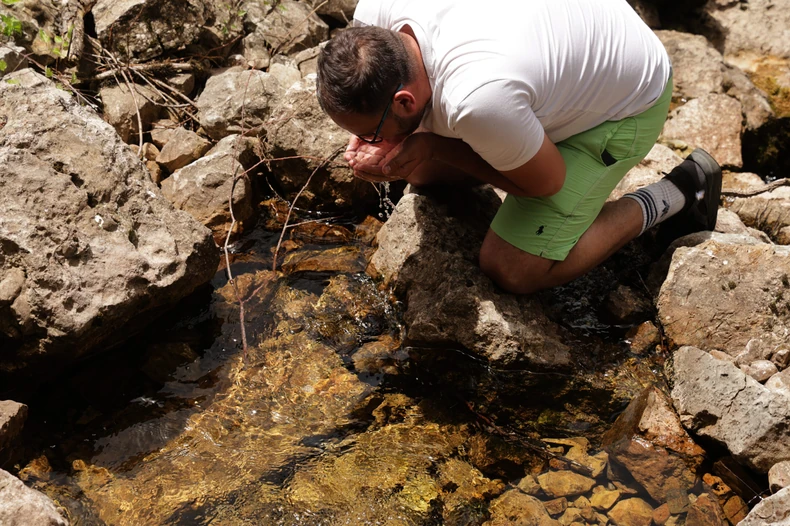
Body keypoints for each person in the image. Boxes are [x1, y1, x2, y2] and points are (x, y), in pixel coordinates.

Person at [316, 0, 722, 294]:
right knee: (417, 169)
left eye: (371, 133)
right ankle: (507, 138)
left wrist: (435, 146)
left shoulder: (476, 98)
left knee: (513, 269)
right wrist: (396, 141)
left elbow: (547, 182)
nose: (368, 143)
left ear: (404, 100)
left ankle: (683, 190)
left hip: (628, 100)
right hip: (571, 48)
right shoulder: (375, 18)